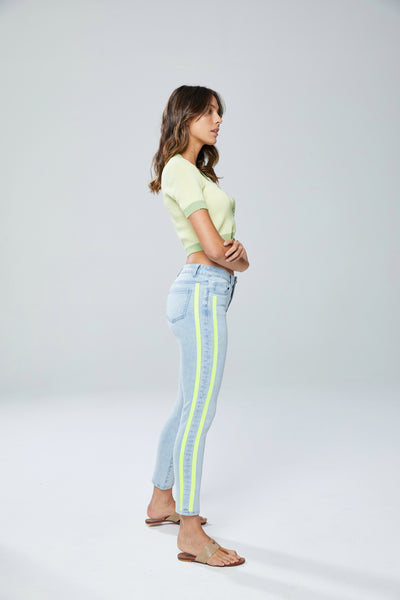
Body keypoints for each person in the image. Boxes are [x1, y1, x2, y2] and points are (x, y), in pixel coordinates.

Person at [146, 85, 249, 567]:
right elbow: (215, 248)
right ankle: (189, 530)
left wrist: (235, 257)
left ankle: (161, 501)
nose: (218, 119)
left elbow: (232, 255)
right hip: (203, 292)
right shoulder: (179, 169)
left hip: (205, 290)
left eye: (219, 112)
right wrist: (235, 257)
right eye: (208, 112)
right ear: (184, 117)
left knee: (188, 405)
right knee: (199, 414)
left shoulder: (195, 171)